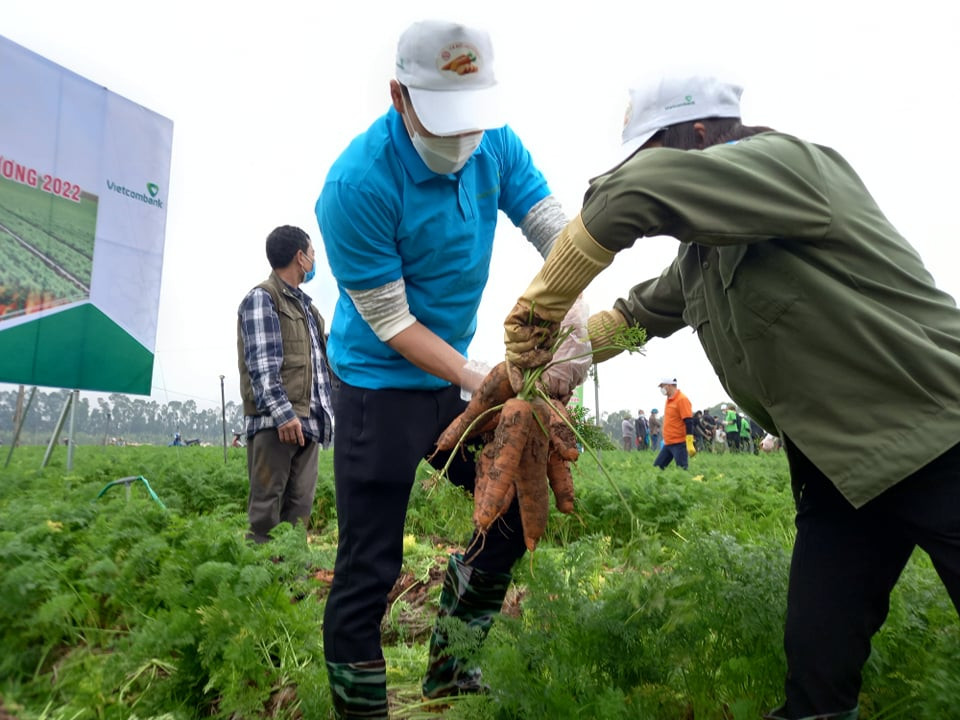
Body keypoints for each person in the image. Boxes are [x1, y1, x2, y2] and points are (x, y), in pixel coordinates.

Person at [502, 73, 960, 720]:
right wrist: (551, 360)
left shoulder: (794, 165)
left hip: (938, 439)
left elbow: (633, 193)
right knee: (818, 666)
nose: (645, 165)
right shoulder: (705, 258)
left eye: (654, 149)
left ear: (699, 134)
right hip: (839, 472)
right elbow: (639, 314)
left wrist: (544, 301)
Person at [314, 20, 577, 718]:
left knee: (517, 509)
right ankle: (361, 709)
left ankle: (453, 668)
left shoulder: (494, 143)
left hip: (458, 377)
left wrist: (578, 308)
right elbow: (392, 321)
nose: (461, 143)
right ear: (398, 95)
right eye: (443, 123)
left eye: (471, 124)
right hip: (380, 385)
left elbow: (553, 225)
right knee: (371, 565)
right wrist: (475, 372)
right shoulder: (357, 185)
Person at [237, 225, 333, 545]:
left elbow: (321, 364)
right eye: (313, 253)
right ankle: (262, 588)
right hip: (277, 424)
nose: (314, 260)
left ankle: (292, 586)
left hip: (307, 423)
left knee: (299, 510)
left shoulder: (309, 310)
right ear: (300, 257)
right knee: (267, 513)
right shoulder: (263, 298)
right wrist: (284, 414)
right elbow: (263, 365)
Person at [652, 377, 695, 470]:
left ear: (669, 385)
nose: (661, 389)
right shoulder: (669, 400)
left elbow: (688, 421)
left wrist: (689, 441)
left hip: (679, 443)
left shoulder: (682, 399)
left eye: (662, 386)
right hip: (668, 443)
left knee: (682, 470)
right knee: (656, 468)